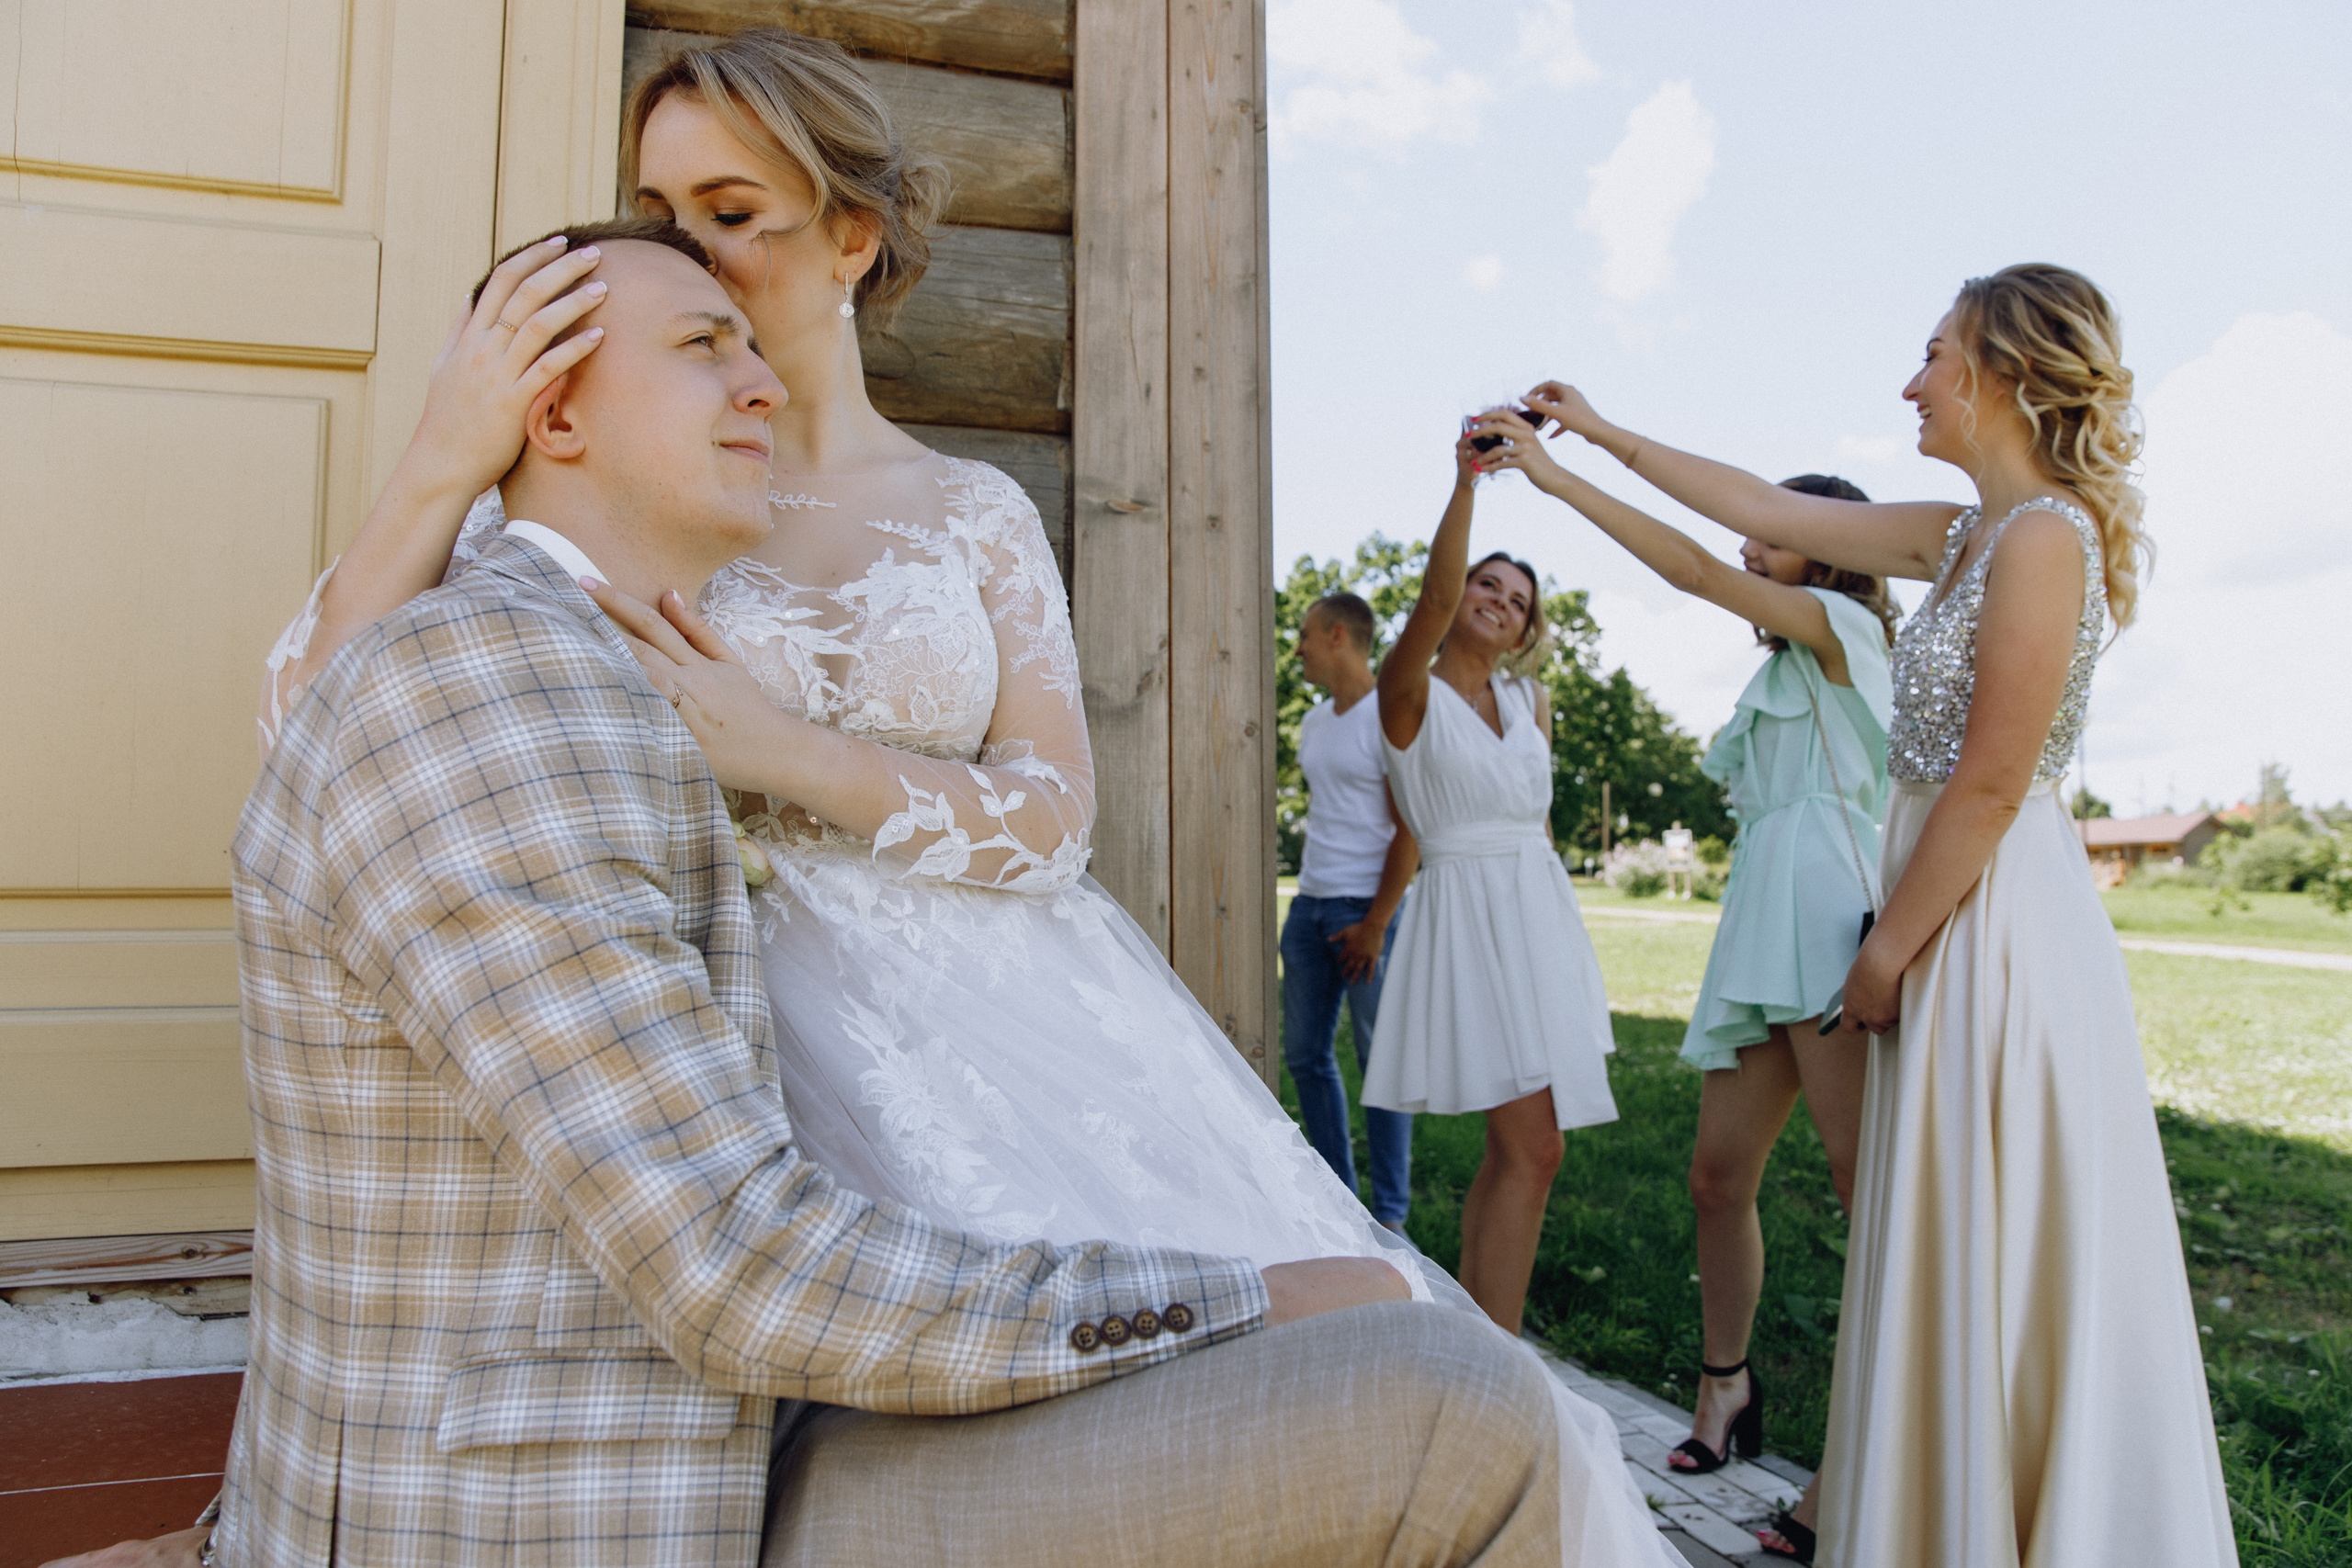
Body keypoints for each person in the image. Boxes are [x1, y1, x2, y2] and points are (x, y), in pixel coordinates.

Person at [225, 28, 1681, 1567]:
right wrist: (445, 453)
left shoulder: (967, 507)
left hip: (982, 1012)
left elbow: (1053, 811)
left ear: (851, 235)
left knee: (1320, 1398)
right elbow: (335, 735)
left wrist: (784, 750)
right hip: (735, 1031)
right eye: (657, 215)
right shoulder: (580, 491)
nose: (686, 250)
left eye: (730, 213)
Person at [1521, 263, 2235, 1567]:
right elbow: (1755, 507)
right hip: (1938, 903)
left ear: (2003, 373)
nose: (1913, 381)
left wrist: (1884, 950)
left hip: (1991, 922)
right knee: (1931, 1226)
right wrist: (1598, 435)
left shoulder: (2044, 539)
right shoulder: (1961, 536)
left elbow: (1995, 781)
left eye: (1935, 353)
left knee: (1984, 1222)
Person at [1476, 420, 1894, 1496]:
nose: (1751, 542)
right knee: (1716, 1178)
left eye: (1775, 531)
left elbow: (1695, 568)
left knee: (1864, 1189)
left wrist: (1556, 475)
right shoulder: (1791, 658)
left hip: (1827, 913)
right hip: (1763, 912)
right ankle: (1725, 1385)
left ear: (1831, 551)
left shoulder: (1843, 625)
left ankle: (1869, 1456)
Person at [1360, 424, 1620, 1337]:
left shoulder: (1529, 701)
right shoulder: (1407, 690)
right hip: (1466, 914)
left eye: (1518, 601)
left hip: (1536, 915)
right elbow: (1431, 599)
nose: (1500, 603)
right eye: (1488, 585)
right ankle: (1494, 1355)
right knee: (1532, 1146)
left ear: (1527, 629)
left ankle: (1480, 1339)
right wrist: (1467, 483)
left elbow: (1537, 820)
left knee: (1526, 1149)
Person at [1282, 592, 1417, 1230]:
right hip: (1309, 906)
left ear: (1338, 636)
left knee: (1380, 1064)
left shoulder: (1388, 716)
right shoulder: (1314, 721)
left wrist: (1376, 924)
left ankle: (1390, 1218)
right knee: (1305, 1056)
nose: (1298, 649)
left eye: (1305, 635)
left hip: (1366, 911)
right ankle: (1341, 1204)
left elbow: (1410, 830)